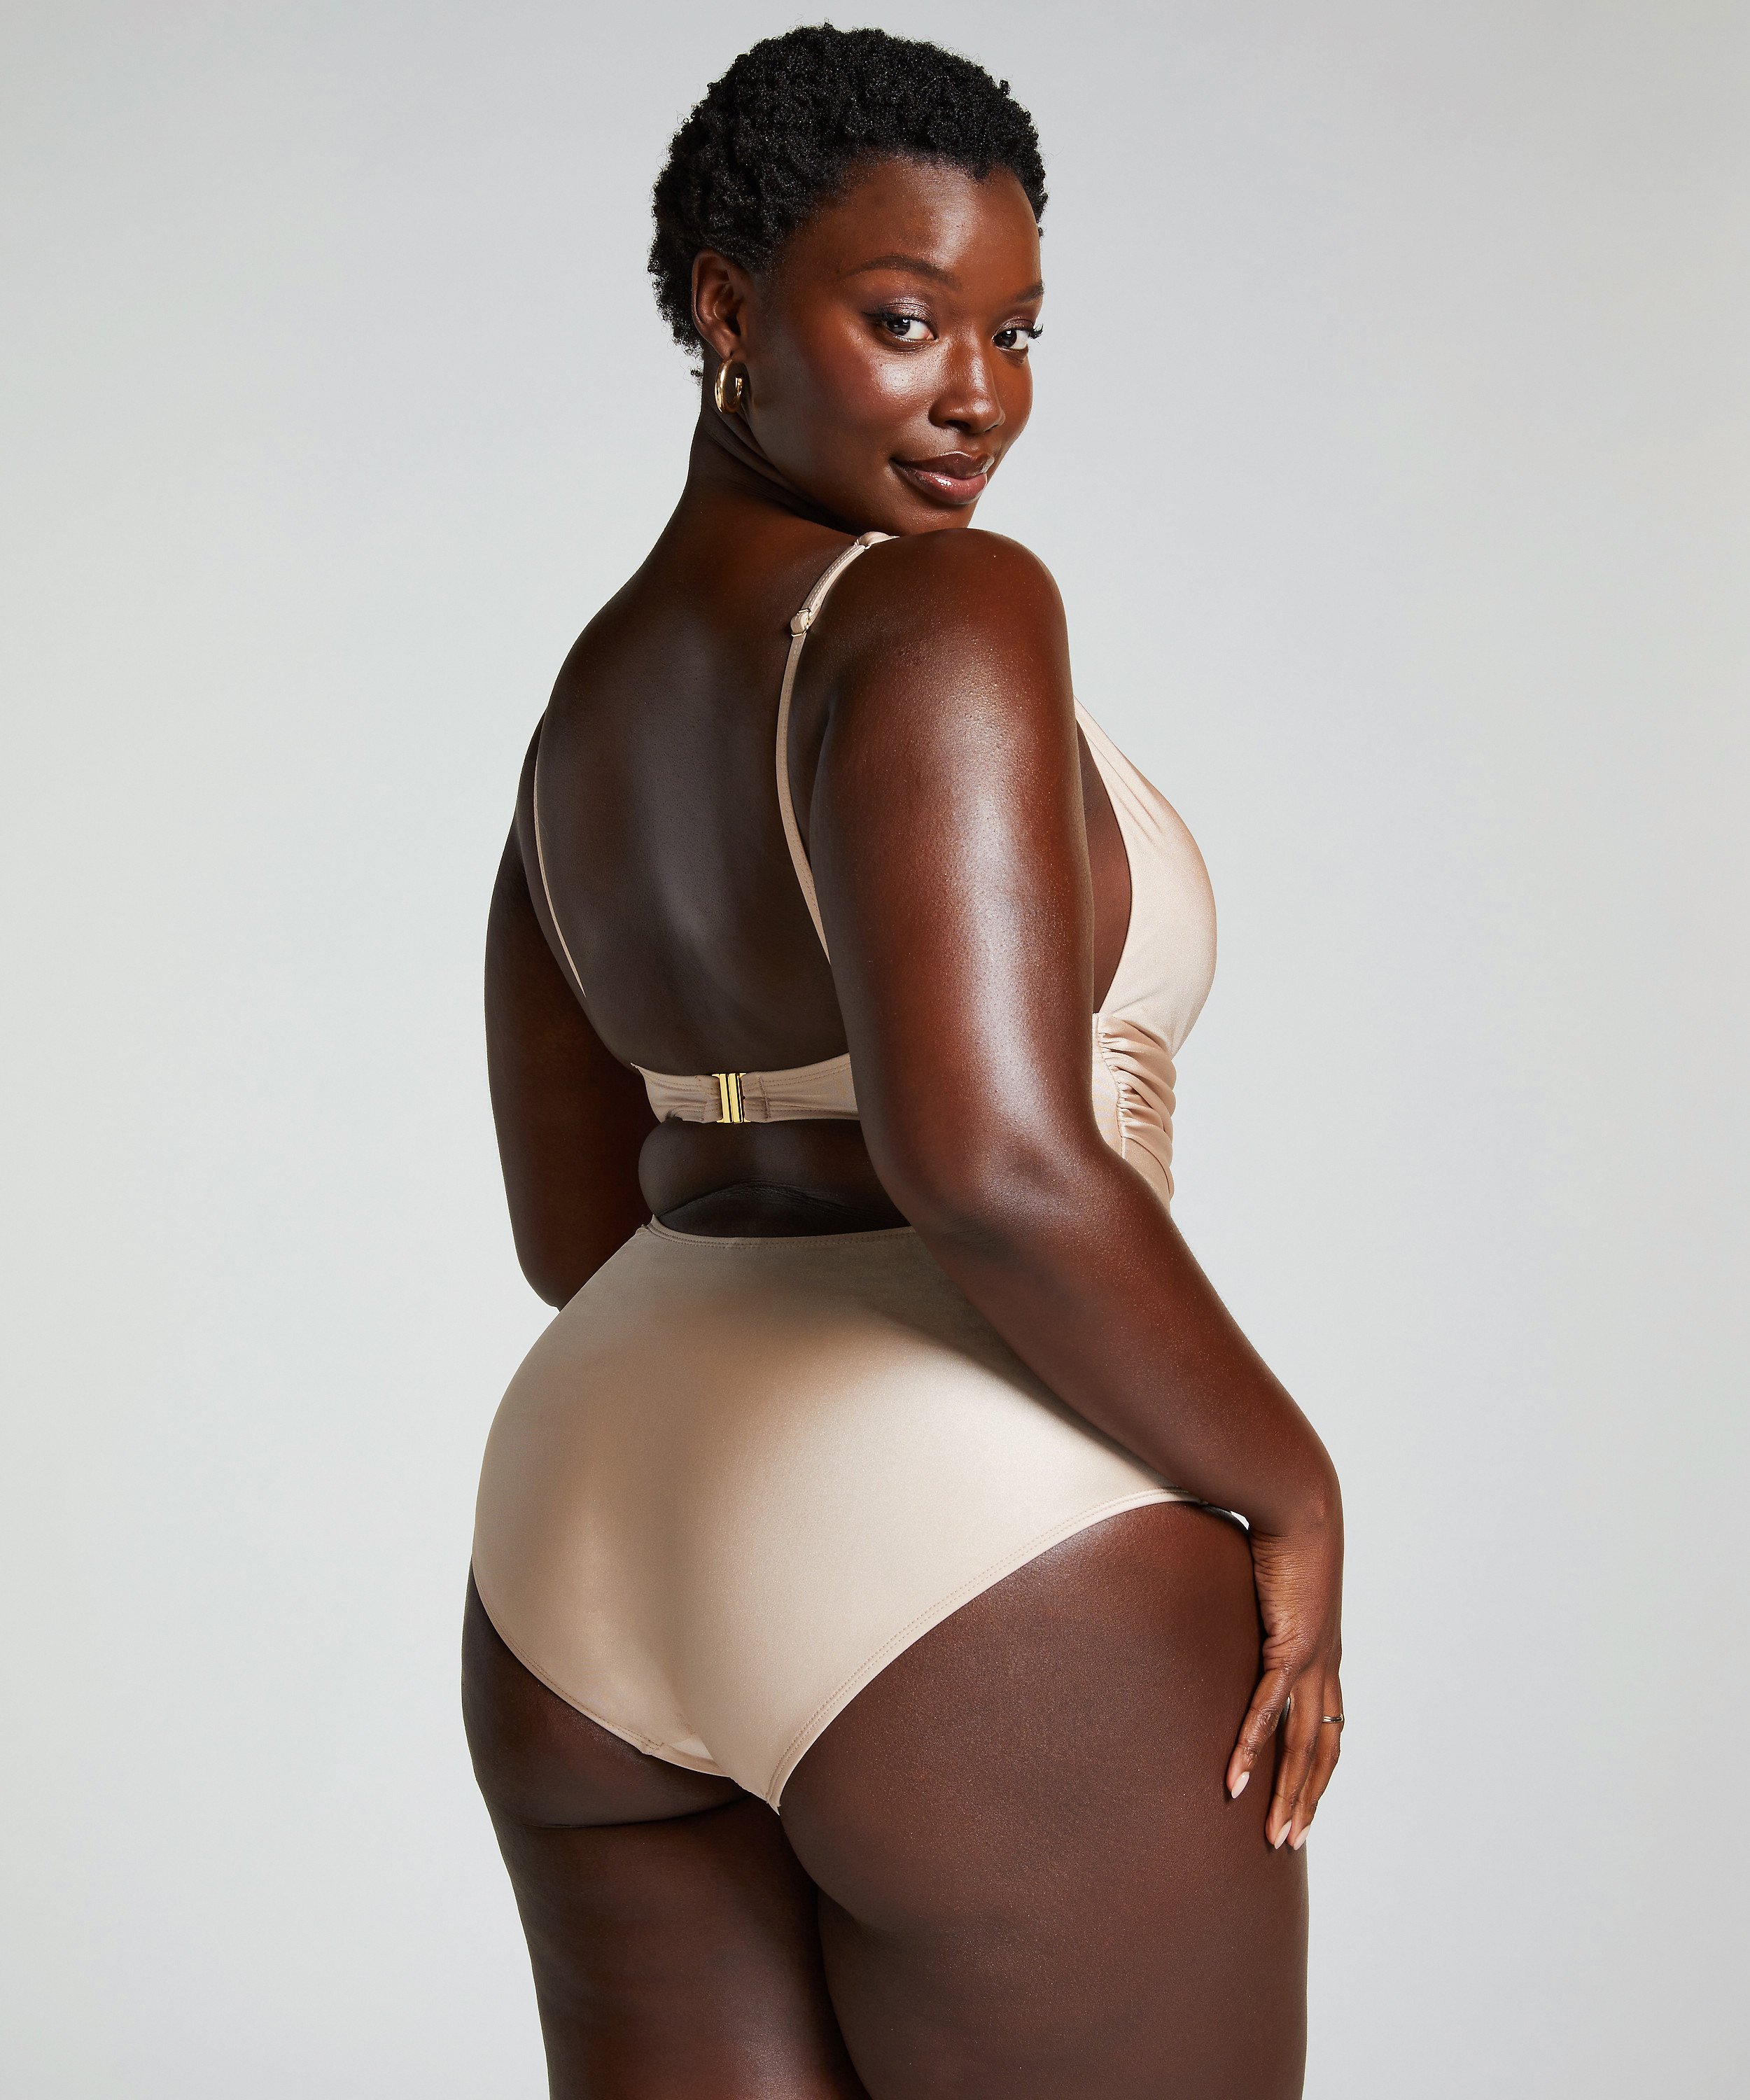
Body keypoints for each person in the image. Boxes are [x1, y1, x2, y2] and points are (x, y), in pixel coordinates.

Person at [463, 25, 1344, 2099]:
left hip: (585, 1539)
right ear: (724, 307)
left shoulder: (585, 707)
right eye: (904, 320)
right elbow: (990, 1166)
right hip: (957, 1530)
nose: (980, 396)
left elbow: (572, 1224)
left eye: (1014, 333)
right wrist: (1285, 1482)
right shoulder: (942, 611)